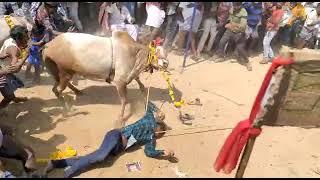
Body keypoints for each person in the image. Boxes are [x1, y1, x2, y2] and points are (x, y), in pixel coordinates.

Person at [43, 102, 174, 178]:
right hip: (116, 135)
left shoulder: (150, 138)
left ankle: (56, 163)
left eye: (160, 134)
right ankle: (67, 174)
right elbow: (148, 104)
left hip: (117, 148)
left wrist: (163, 153)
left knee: (94, 158)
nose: (159, 134)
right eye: (160, 131)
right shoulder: (149, 119)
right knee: (99, 156)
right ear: (158, 125)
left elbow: (149, 152)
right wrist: (158, 111)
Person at [211, 2, 252, 71]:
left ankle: (247, 62)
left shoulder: (243, 12)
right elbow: (230, 18)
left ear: (240, 5)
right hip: (230, 30)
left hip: (239, 32)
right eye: (234, 5)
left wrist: (232, 24)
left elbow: (243, 26)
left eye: (237, 5)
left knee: (240, 48)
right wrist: (226, 23)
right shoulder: (232, 8)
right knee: (222, 42)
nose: (235, 7)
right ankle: (221, 56)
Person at [0, 25, 30, 109]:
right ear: (18, 39)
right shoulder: (14, 49)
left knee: (8, 91)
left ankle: (14, 98)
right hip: (2, 73)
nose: (28, 38)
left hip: (2, 67)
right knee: (8, 97)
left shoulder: (10, 40)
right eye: (25, 37)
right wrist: (26, 56)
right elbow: (14, 69)